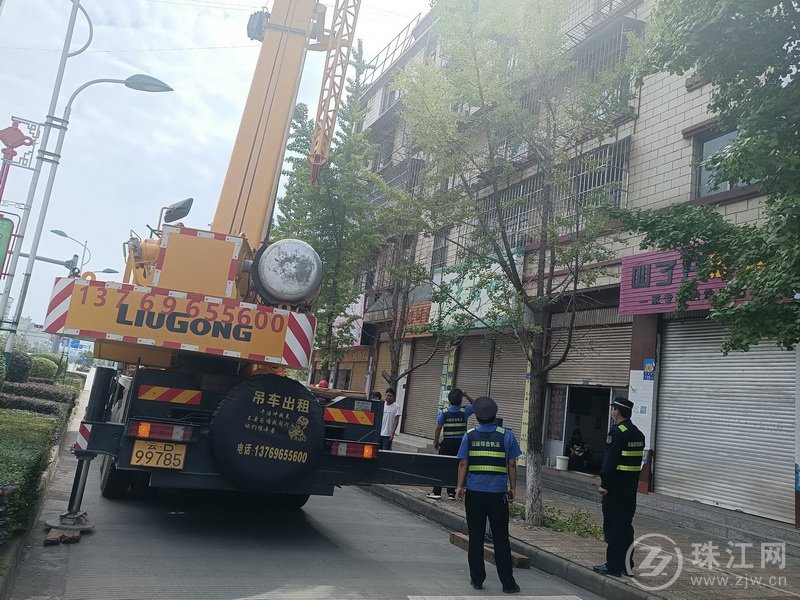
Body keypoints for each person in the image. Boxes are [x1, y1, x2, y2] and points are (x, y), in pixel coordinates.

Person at [455, 396, 521, 594]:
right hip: (498, 495)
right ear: (495, 415)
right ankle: (508, 583)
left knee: (476, 537)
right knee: (501, 538)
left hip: (474, 493)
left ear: (477, 416)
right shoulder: (506, 435)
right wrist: (513, 488)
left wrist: (459, 486)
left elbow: (463, 463)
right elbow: (511, 464)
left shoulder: (469, 436)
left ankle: (477, 580)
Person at [593, 397, 646, 578]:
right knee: (625, 527)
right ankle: (627, 566)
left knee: (613, 528)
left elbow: (610, 461)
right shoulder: (638, 434)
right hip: (629, 490)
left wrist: (604, 484)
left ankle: (613, 567)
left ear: (617, 412)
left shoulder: (616, 433)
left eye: (613, 409)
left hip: (614, 489)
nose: (612, 412)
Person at [427, 388, 474, 500]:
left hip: (447, 443)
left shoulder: (444, 412)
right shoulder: (465, 411)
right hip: (461, 443)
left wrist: (436, 441)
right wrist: (466, 395)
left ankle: (437, 491)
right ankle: (452, 492)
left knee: (442, 465)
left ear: (449, 399)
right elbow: (476, 405)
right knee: (457, 466)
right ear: (460, 400)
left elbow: (438, 428)